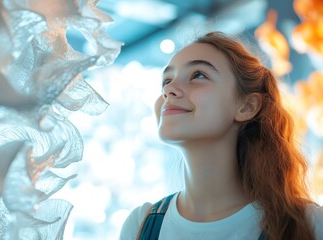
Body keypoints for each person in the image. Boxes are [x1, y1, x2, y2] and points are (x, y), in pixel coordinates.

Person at [119, 31, 323, 240]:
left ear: (247, 106)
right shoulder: (138, 225)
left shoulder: (310, 224)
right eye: (167, 80)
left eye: (198, 75)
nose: (169, 89)